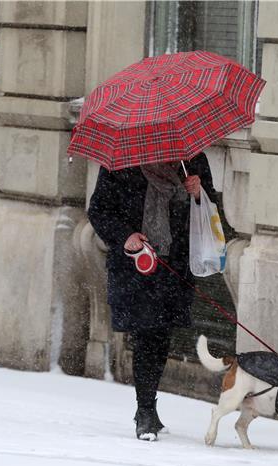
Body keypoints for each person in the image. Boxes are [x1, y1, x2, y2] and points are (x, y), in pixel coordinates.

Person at [87, 152, 220, 441]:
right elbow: (98, 210)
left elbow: (212, 212)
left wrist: (200, 195)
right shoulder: (121, 161)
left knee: (161, 337)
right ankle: (145, 410)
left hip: (175, 265)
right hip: (138, 264)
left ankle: (148, 407)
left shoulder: (193, 158)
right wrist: (126, 236)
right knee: (146, 334)